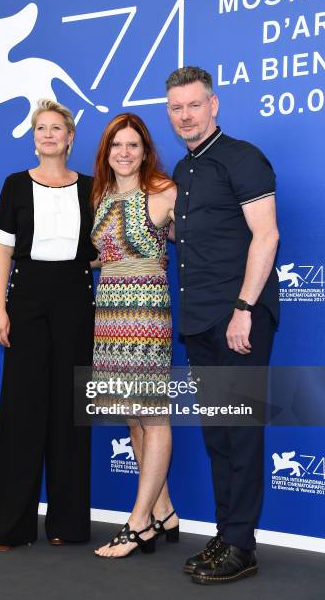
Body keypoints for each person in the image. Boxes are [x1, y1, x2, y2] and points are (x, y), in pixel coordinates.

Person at [166, 67, 279, 584]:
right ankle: (227, 533)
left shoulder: (243, 158)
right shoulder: (184, 171)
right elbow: (195, 242)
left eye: (193, 105)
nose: (185, 116)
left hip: (239, 320)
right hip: (199, 321)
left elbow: (266, 236)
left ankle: (242, 545)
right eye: (175, 108)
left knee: (240, 431)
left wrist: (243, 309)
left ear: (213, 104)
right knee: (217, 434)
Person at [0, 99, 97, 551]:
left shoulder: (91, 187)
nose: (48, 135)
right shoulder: (14, 185)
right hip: (26, 298)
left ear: (70, 137)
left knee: (71, 410)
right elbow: (3, 253)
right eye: (40, 129)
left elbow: (97, 251)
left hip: (74, 295)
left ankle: (67, 525)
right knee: (22, 409)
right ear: (34, 139)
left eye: (56, 129)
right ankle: (9, 528)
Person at [91, 113, 179, 558]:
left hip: (145, 312)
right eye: (116, 146)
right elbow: (99, 254)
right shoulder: (101, 195)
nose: (124, 153)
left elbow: (195, 240)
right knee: (133, 415)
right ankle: (164, 510)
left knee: (153, 414)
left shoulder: (162, 192)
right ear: (106, 152)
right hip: (107, 310)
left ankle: (139, 521)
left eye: (132, 145)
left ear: (146, 151)